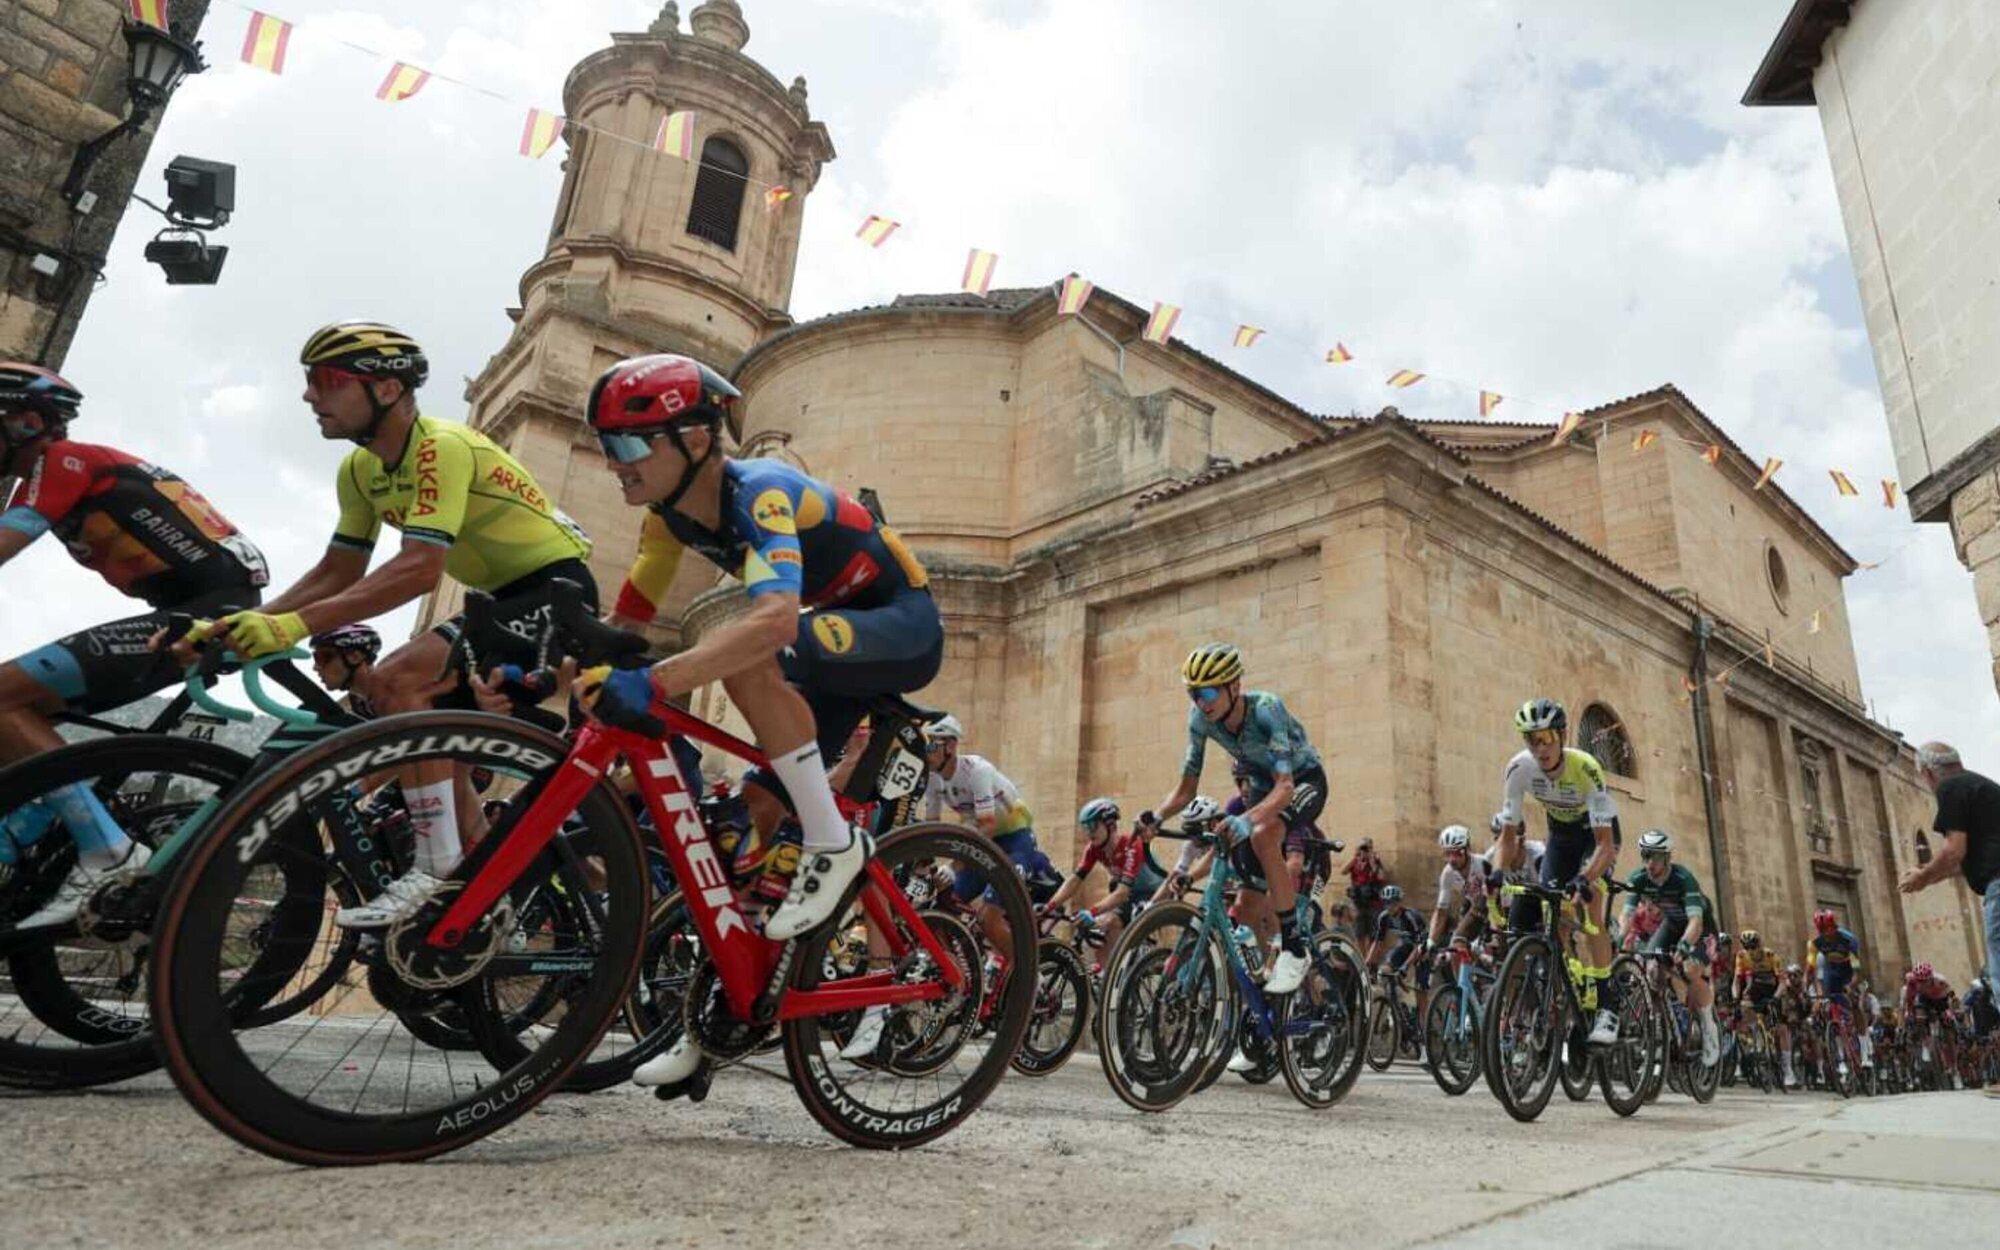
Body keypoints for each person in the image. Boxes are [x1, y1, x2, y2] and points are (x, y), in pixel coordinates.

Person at [572, 353, 944, 1089]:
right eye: (607, 443)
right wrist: (571, 661)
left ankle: (835, 843)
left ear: (698, 440)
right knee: (750, 831)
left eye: (630, 443)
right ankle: (716, 1024)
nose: (615, 462)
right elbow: (627, 623)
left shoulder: (760, 491)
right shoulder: (667, 516)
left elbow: (773, 621)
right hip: (829, 644)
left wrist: (658, 681)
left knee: (744, 649)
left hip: (899, 624)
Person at [190, 322, 595, 931]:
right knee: (417, 720)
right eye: (308, 381)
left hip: (556, 588)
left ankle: (435, 869)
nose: (308, 396)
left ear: (385, 388)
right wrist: (250, 622)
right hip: (498, 598)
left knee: (404, 678)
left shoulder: (441, 447)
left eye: (326, 380)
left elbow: (418, 570)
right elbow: (338, 570)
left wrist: (292, 627)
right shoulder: (359, 470)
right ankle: (487, 892)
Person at [0, 362, 269, 928]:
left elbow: (6, 543)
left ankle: (108, 849)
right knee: (13, 713)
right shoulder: (42, 478)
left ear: (27, 421)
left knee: (2, 695)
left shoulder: (67, 461)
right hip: (187, 612)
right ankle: (39, 834)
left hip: (209, 615)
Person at [840, 713, 1047, 1059]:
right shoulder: (934, 779)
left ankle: (1030, 973)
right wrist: (922, 867)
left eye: (932, 745)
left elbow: (985, 825)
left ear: (950, 746)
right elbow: (931, 831)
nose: (926, 751)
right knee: (935, 907)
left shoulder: (976, 771)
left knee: (988, 915)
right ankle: (961, 972)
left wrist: (953, 865)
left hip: (1014, 840)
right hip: (980, 843)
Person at [1146, 643, 1328, 994]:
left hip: (1302, 781)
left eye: (1210, 692)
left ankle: (1293, 947)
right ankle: (1262, 1014)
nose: (1202, 702)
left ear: (1234, 687)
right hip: (1261, 790)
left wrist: (1246, 821)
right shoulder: (1200, 719)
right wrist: (1155, 817)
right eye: (1194, 694)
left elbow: (1286, 787)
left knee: (1262, 835)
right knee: (1245, 906)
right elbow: (1185, 789)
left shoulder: (1266, 710)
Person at [1496, 697, 1622, 1045]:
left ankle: (1607, 1004)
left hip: (1596, 839)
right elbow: (1508, 836)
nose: (1540, 748)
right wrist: (1497, 874)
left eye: (1547, 737)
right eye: (1531, 739)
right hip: (1563, 839)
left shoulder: (1587, 768)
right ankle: (1564, 992)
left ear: (1563, 735)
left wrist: (1584, 877)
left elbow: (1606, 845)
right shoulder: (1518, 769)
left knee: (1591, 898)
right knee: (1552, 912)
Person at [1903, 744, 2000, 1081]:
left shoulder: (1950, 788)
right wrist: (1929, 879)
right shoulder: (1982, 786)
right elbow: (1967, 861)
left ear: (1927, 773)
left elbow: (1953, 851)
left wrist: (1921, 876)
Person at [1618, 829, 1719, 1066]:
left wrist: (1685, 946)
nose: (1650, 863)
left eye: (1656, 857)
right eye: (1646, 856)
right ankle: (1658, 1031)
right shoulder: (1638, 877)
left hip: (1701, 930)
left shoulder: (1684, 878)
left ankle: (1708, 1026)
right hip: (1672, 924)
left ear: (1667, 857)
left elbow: (1696, 921)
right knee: (1652, 969)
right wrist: (1619, 938)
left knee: (1690, 969)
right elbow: (1627, 914)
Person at [1046, 799, 1166, 967]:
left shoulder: (1131, 846)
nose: (1089, 833)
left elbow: (1122, 893)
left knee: (1107, 920)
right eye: (1085, 827)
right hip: (1129, 893)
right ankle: (1106, 975)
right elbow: (1074, 880)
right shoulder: (1093, 849)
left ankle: (1124, 969)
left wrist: (1092, 912)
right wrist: (1050, 906)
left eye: (1093, 826)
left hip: (1153, 894)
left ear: (1110, 825)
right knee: (1098, 930)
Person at [1807, 908, 1870, 1073]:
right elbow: (1812, 971)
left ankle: (1865, 1051)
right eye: (1821, 930)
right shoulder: (1815, 943)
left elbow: (1857, 972)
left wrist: (1850, 986)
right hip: (1831, 970)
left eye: (1828, 929)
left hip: (1849, 971)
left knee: (1855, 1004)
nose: (1825, 934)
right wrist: (1816, 995)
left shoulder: (1849, 940)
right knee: (1831, 1011)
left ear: (1834, 926)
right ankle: (1841, 1056)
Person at [1733, 928, 1792, 1086]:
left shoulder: (1771, 956)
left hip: (1773, 991)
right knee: (1744, 1007)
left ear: (1760, 945)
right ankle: (1755, 1038)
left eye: (1753, 947)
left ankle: (1788, 1070)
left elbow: (1782, 982)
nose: (1751, 951)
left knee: (1781, 1029)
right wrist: (1735, 998)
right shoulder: (1742, 956)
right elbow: (1737, 981)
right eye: (1747, 947)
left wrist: (1775, 998)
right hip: (1756, 989)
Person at [310, 623, 384, 718]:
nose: (315, 667)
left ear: (355, 657)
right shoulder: (358, 703)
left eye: (322, 658)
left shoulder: (396, 687)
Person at [1344, 835, 1388, 940]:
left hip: (1373, 903)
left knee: (1374, 935)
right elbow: (1343, 871)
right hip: (1358, 903)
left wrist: (1372, 862)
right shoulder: (1355, 862)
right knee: (1359, 933)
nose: (1364, 851)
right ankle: (1361, 956)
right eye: (1362, 848)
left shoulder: (1375, 862)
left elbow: (1382, 877)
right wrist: (1355, 857)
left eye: (1366, 848)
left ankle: (1370, 956)